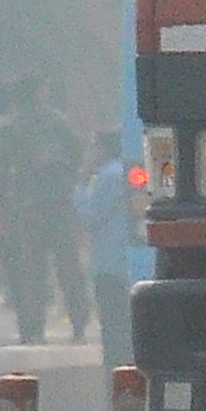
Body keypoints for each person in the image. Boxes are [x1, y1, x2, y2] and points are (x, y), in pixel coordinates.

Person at [0, 75, 88, 346]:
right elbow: (79, 152)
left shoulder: (11, 128)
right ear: (41, 91)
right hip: (61, 204)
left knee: (31, 270)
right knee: (69, 267)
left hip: (28, 208)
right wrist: (66, 178)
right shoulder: (59, 122)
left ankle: (32, 329)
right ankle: (78, 324)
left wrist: (0, 209)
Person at [76, 136, 141, 349]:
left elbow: (90, 217)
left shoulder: (106, 176)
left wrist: (79, 187)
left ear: (103, 149)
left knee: (111, 322)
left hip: (107, 262)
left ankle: (114, 366)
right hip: (122, 261)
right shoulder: (121, 173)